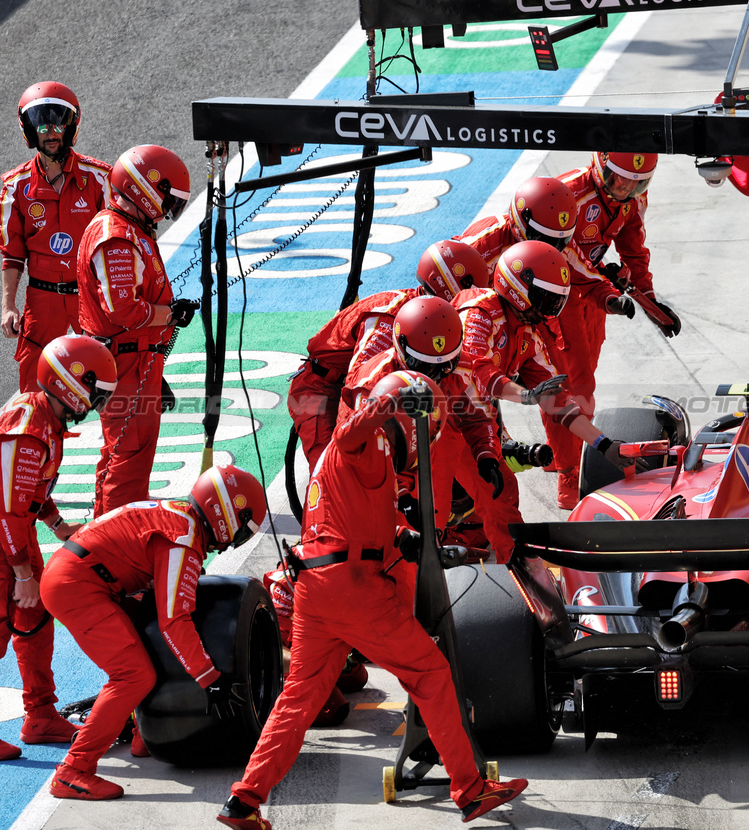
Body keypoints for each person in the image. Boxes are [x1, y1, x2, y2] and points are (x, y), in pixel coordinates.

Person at [218, 372, 526, 830]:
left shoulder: (355, 466)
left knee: (297, 701)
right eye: (423, 430)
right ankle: (469, 788)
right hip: (354, 588)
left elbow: (364, 525)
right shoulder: (368, 443)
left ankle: (243, 801)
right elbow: (349, 433)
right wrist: (390, 402)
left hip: (316, 589)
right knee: (430, 671)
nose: (421, 447)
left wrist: (409, 537)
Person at [40, 464, 266, 799]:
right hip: (79, 585)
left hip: (85, 576)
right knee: (132, 673)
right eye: (243, 527)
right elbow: (174, 621)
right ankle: (73, 770)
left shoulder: (179, 517)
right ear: (228, 514)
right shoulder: (183, 536)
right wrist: (210, 680)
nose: (238, 538)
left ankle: (140, 733)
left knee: (150, 648)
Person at [0, 334, 116, 761]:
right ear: (71, 383)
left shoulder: (45, 416)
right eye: (94, 391)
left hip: (16, 533)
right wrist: (24, 574)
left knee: (35, 622)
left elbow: (31, 491)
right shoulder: (29, 429)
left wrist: (58, 525)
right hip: (5, 533)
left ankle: (41, 716)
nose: (96, 402)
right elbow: (8, 510)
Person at [456, 241, 634, 515]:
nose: (551, 309)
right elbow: (474, 371)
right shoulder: (479, 312)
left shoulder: (529, 333)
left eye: (557, 301)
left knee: (497, 496)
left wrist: (604, 445)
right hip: (430, 408)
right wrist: (525, 396)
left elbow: (559, 402)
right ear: (518, 288)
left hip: (472, 413)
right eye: (545, 298)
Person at [549, 151, 679, 508]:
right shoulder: (568, 195)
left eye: (638, 181)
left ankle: (561, 453)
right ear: (599, 163)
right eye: (618, 177)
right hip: (557, 295)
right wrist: (604, 286)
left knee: (584, 376)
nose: (626, 186)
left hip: (595, 296)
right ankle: (569, 475)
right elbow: (559, 254)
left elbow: (634, 251)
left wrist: (652, 304)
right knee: (571, 386)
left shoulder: (634, 197)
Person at [287, 239, 488, 470]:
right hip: (320, 388)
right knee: (333, 470)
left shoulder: (428, 319)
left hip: (360, 386)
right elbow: (360, 386)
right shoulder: (388, 319)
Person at [77, 145, 199, 516]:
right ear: (147, 189)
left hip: (135, 364)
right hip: (126, 366)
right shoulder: (116, 239)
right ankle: (114, 549)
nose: (167, 211)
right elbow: (125, 311)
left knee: (121, 458)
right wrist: (169, 315)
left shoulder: (127, 229)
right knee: (128, 465)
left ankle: (103, 535)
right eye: (167, 199)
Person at [340, 295, 510, 559]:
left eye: (444, 367)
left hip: (424, 447)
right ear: (402, 347)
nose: (435, 376)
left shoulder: (457, 368)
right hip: (373, 464)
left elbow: (477, 418)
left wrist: (486, 456)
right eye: (425, 367)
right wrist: (403, 494)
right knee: (383, 548)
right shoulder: (373, 384)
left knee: (431, 534)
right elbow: (360, 454)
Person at [1, 82, 111, 391]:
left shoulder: (101, 179)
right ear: (29, 129)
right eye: (43, 125)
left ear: (71, 127)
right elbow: (11, 254)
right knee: (34, 389)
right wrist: (8, 306)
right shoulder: (13, 187)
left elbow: (122, 245)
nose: (51, 133)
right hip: (42, 299)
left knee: (110, 382)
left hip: (90, 297)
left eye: (59, 123)